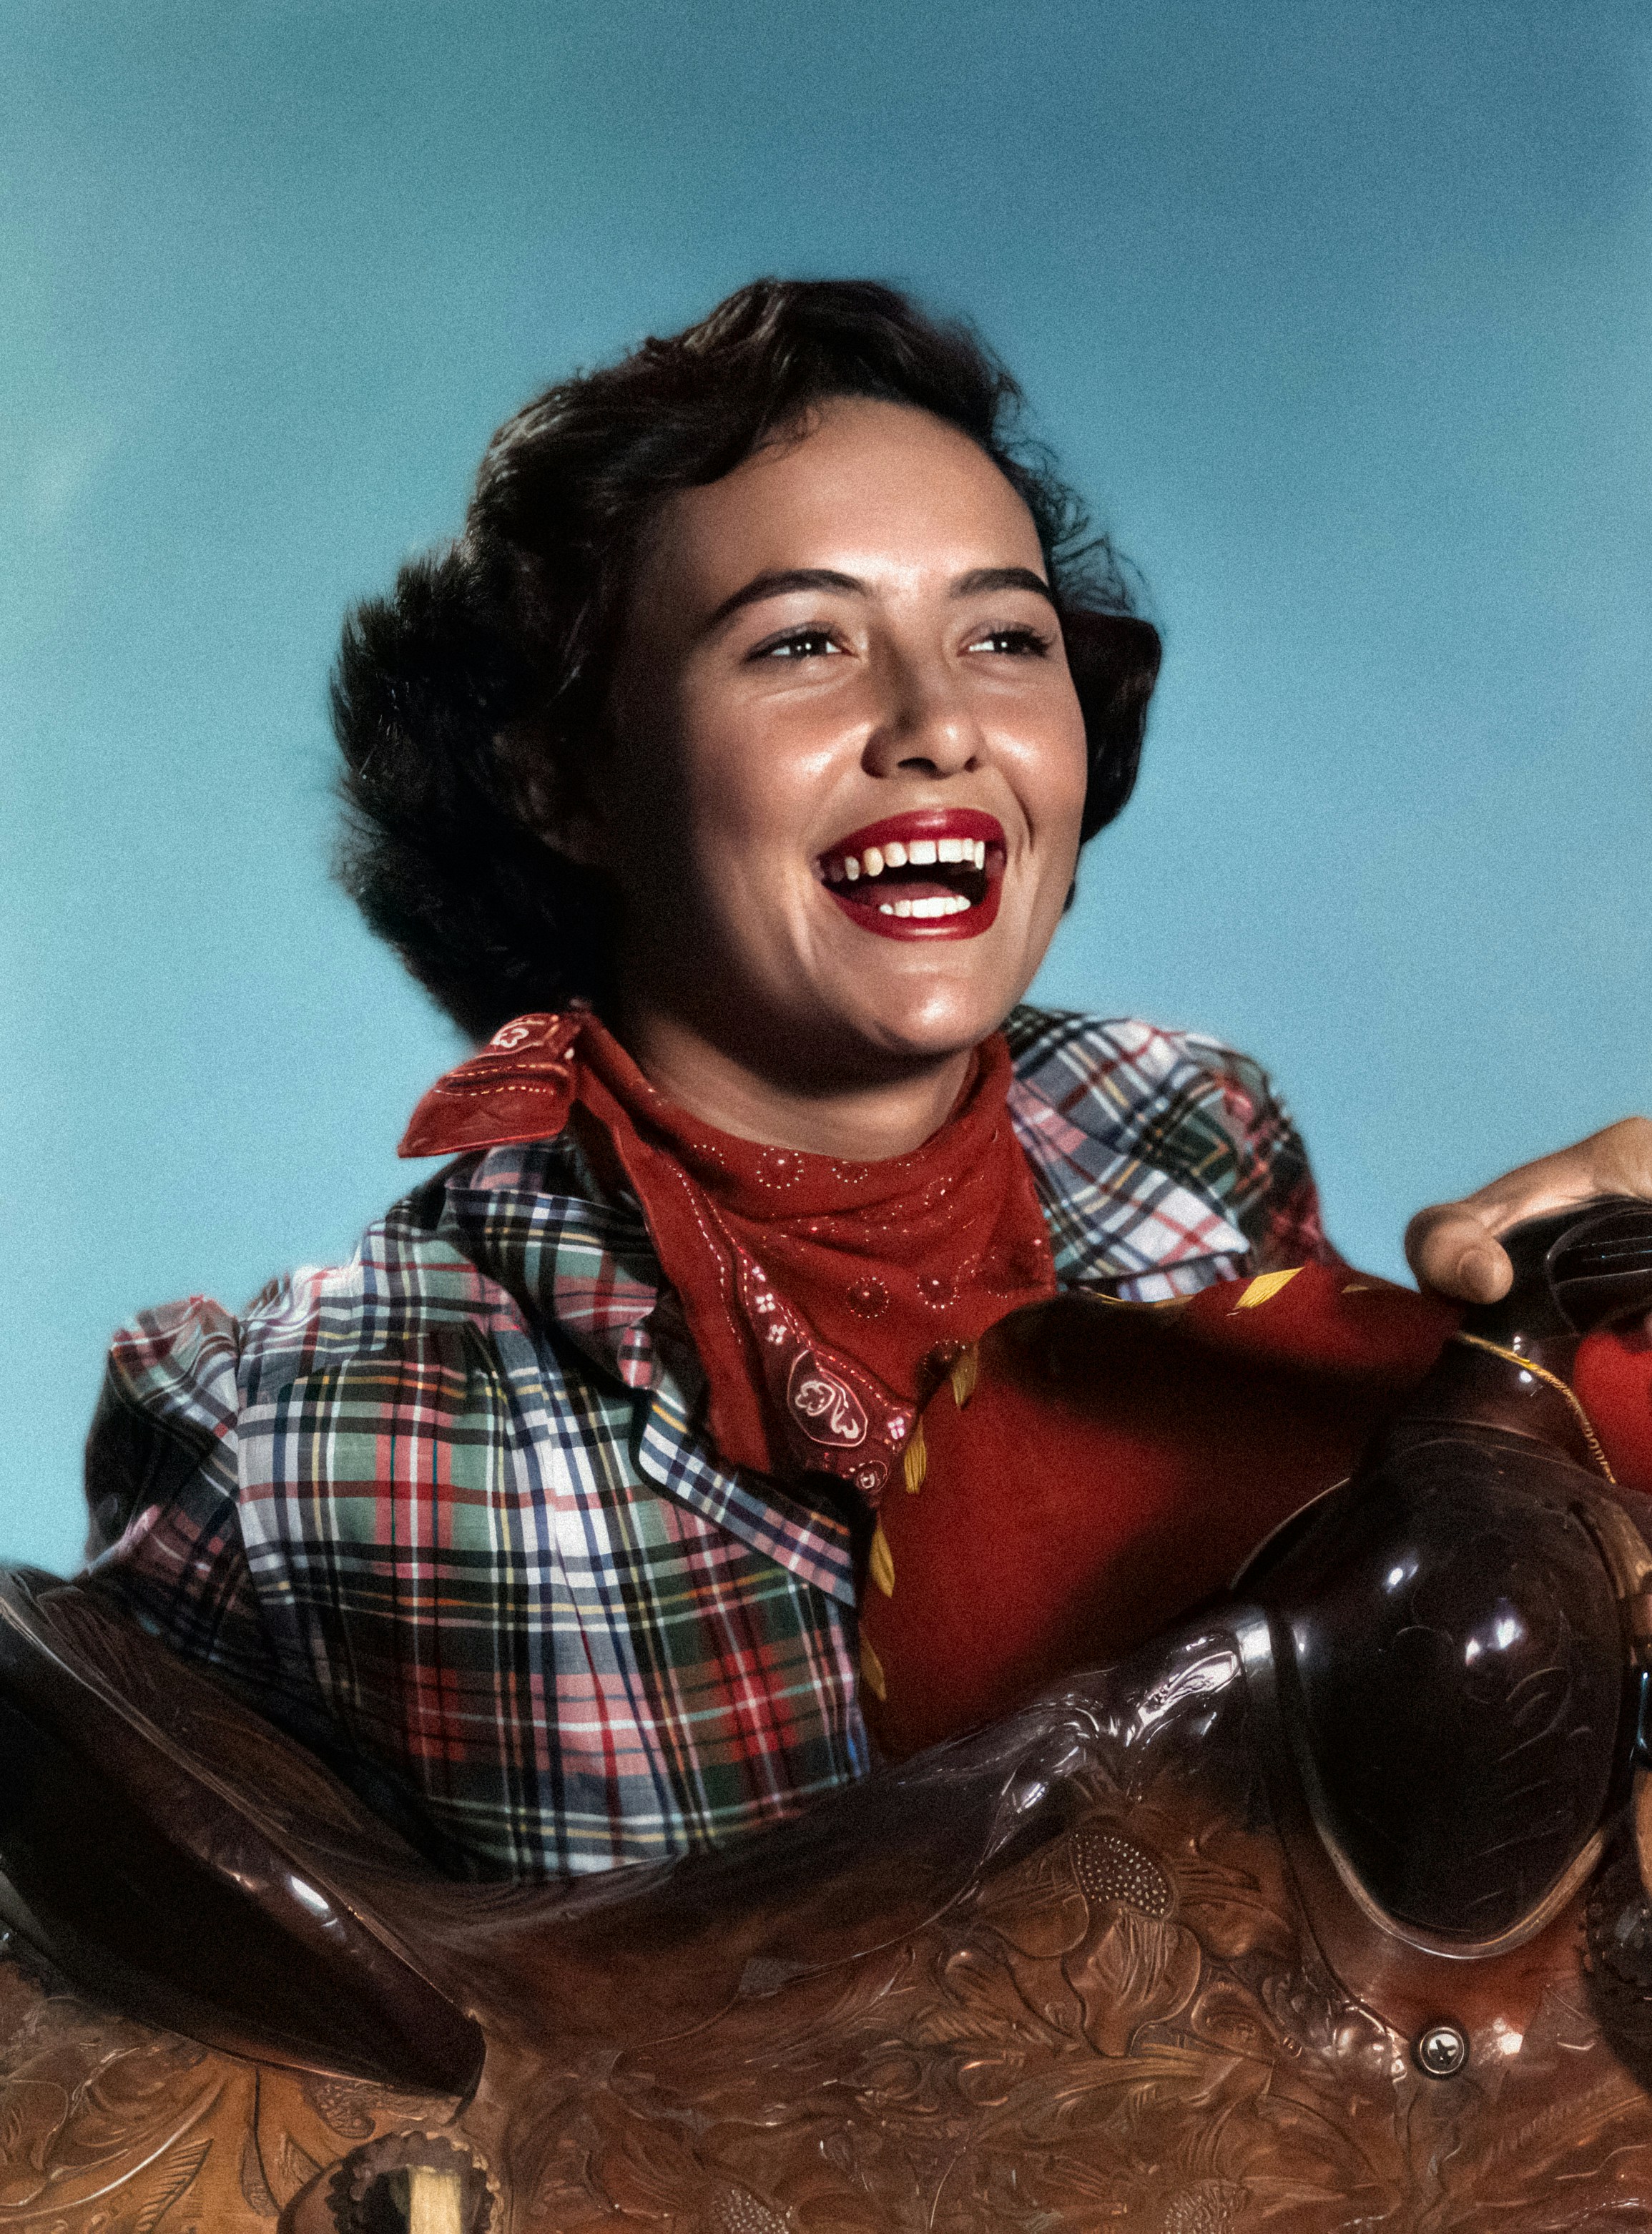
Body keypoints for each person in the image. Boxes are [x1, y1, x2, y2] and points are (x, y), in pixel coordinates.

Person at [79, 279, 1652, 1881]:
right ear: (567, 780)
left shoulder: (1195, 1135)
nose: (939, 725)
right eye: (805, 640)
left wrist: (1588, 1378)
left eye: (1002, 636)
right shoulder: (316, 1438)